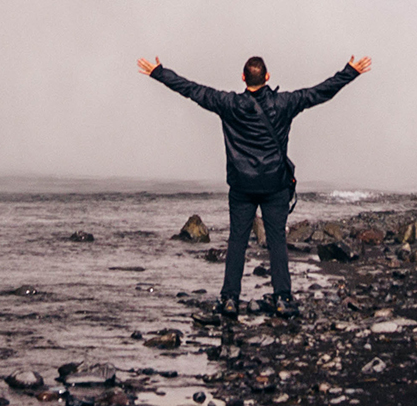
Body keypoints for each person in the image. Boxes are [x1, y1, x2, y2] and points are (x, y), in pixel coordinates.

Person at [136, 52, 371, 319]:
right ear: (267, 77)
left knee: (237, 241)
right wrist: (350, 71)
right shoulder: (285, 103)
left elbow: (191, 90)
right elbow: (320, 92)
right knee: (277, 242)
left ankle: (229, 300)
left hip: (242, 186)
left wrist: (159, 72)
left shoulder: (228, 104)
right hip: (275, 185)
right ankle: (282, 298)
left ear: (243, 77)